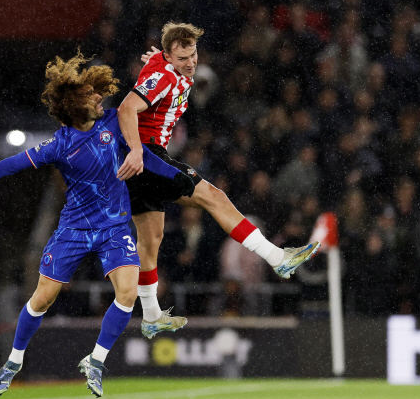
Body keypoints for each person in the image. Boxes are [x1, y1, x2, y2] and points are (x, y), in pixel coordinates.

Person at [0, 53, 194, 398]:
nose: (98, 97)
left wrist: (175, 175)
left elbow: (144, 154)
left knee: (127, 292)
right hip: (74, 231)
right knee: (42, 299)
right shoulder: (58, 145)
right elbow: (10, 165)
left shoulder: (111, 123)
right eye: (91, 94)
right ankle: (14, 361)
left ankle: (96, 360)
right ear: (76, 104)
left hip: (113, 228)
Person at [116, 22, 320, 338]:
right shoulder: (166, 75)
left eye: (193, 54)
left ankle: (152, 314)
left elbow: (156, 73)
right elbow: (126, 108)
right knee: (215, 197)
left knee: (150, 239)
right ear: (171, 58)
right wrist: (135, 152)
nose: (191, 63)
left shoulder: (164, 65)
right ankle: (277, 257)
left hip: (141, 162)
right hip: (147, 156)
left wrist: (157, 59)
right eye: (183, 58)